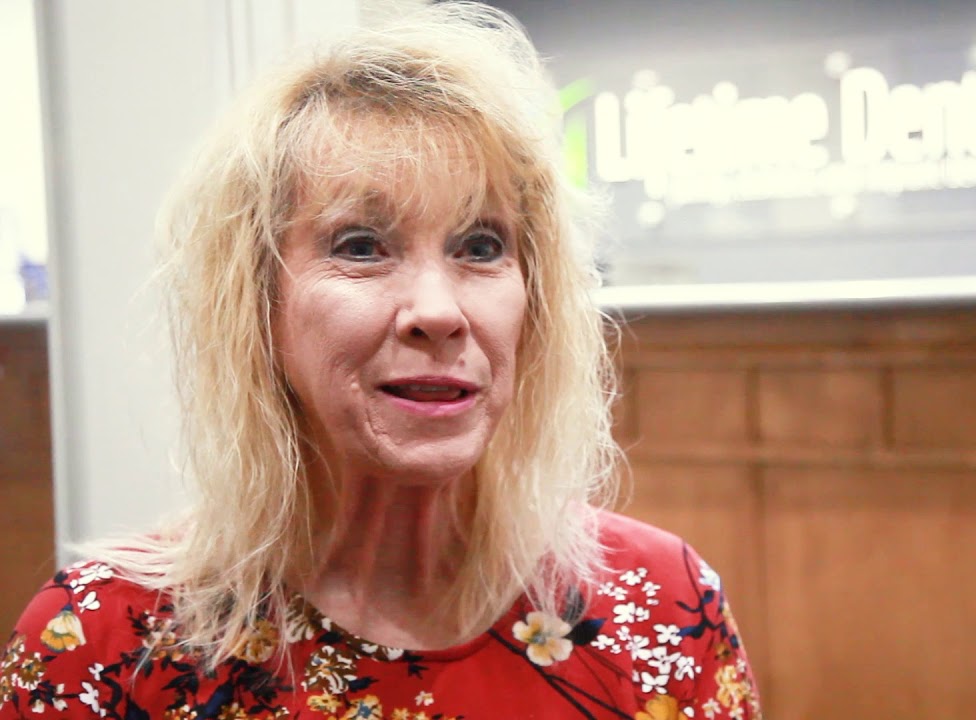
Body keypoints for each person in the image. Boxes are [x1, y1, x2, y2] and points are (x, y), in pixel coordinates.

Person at [0, 3, 760, 719]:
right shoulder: (103, 643)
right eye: (361, 246)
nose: (438, 310)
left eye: (480, 246)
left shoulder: (658, 610)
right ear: (256, 302)